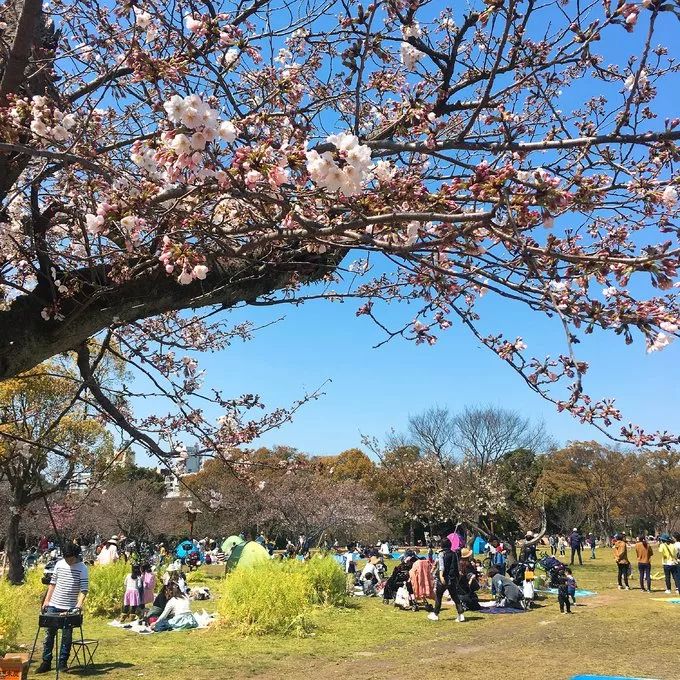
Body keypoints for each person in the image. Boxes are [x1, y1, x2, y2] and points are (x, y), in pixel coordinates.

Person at [37, 543, 89, 674]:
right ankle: (46, 662)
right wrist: (47, 600)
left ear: (76, 556)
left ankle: (62, 662)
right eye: (66, 557)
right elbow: (52, 583)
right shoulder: (59, 564)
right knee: (49, 634)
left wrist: (79, 604)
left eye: (70, 558)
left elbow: (84, 589)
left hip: (70, 607)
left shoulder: (83, 568)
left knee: (67, 636)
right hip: (54, 604)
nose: (68, 560)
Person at [427, 538, 465, 622]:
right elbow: (457, 566)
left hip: (444, 578)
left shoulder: (441, 554)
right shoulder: (454, 554)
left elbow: (441, 566)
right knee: (455, 596)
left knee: (438, 596)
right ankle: (461, 614)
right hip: (453, 578)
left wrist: (441, 576)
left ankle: (435, 614)